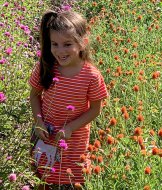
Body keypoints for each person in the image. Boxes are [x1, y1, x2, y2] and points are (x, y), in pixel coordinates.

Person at [29, 9, 108, 190]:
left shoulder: (91, 76)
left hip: (73, 139)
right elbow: (34, 95)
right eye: (54, 44)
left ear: (82, 43)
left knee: (71, 179)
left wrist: (70, 127)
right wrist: (38, 121)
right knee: (41, 176)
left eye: (67, 44)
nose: (59, 51)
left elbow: (96, 109)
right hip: (45, 134)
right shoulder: (46, 67)